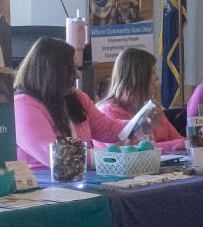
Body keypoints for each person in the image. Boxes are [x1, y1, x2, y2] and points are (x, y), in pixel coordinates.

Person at [11, 39, 141, 165]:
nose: (77, 75)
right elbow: (58, 156)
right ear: (52, 72)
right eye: (71, 69)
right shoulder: (22, 105)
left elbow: (107, 129)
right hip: (44, 183)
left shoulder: (76, 97)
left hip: (79, 178)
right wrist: (109, 155)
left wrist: (139, 122)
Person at [95, 47, 183, 150]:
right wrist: (182, 144)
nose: (157, 78)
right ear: (138, 78)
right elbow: (133, 150)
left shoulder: (150, 106)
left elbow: (177, 138)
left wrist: (192, 142)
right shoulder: (108, 111)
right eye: (153, 72)